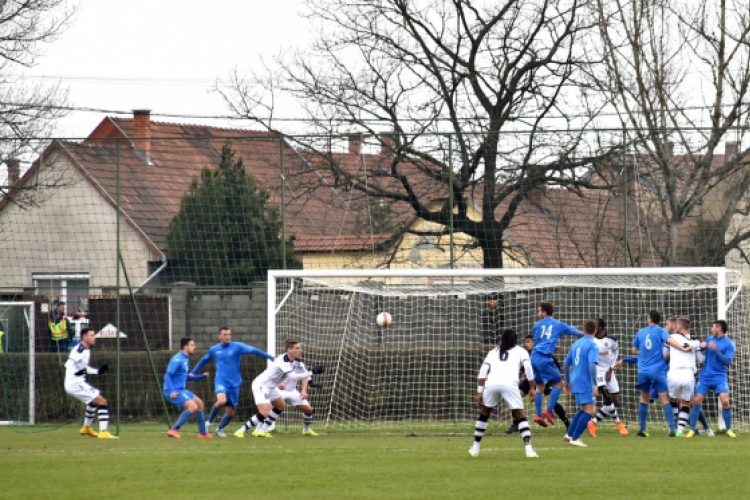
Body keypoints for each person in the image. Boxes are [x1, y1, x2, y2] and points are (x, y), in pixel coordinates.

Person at [190, 327, 275, 437]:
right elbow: (204, 360)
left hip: (235, 383)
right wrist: (193, 372)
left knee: (230, 413)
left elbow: (254, 351)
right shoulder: (214, 349)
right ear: (219, 336)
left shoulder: (238, 347)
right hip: (221, 381)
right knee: (221, 401)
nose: (227, 337)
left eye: (229, 334)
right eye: (224, 335)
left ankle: (219, 429)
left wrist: (270, 357)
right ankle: (208, 423)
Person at [470, 328, 538, 458]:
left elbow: (483, 372)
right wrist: (532, 388)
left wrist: (479, 391)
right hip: (509, 384)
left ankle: (475, 446)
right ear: (516, 340)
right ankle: (528, 448)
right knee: (519, 415)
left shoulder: (493, 352)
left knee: (485, 414)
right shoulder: (520, 351)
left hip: (491, 384)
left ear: (502, 339)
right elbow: (528, 369)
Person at [234, 339, 323, 438]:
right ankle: (241, 431)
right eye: (297, 348)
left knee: (280, 405)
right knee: (265, 412)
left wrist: (311, 382)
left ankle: (262, 431)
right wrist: (312, 372)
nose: (300, 350)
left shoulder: (295, 362)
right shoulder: (283, 361)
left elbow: (301, 374)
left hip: (271, 387)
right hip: (261, 385)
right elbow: (293, 377)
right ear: (289, 350)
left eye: (300, 348)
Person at [632, 310, 693, 437]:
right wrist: (683, 348)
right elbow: (671, 341)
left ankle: (642, 429)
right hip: (657, 370)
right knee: (665, 399)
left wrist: (644, 354)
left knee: (644, 399)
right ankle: (672, 429)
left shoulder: (640, 332)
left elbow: (634, 350)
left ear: (649, 319)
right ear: (659, 321)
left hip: (643, 370)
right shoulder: (661, 331)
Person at [531, 301, 583, 427]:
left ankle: (538, 414)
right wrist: (588, 336)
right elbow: (575, 332)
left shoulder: (537, 325)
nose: (538, 314)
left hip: (533, 357)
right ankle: (548, 411)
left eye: (539, 311)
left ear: (544, 312)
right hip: (544, 358)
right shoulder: (559, 325)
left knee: (539, 386)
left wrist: (553, 348)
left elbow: (540, 343)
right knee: (559, 384)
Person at [506, 335, 570, 434]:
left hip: (546, 380)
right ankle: (516, 424)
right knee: (517, 395)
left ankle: (567, 424)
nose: (526, 344)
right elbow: (525, 372)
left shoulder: (543, 353)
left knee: (550, 399)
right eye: (525, 342)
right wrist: (532, 389)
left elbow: (556, 367)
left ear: (534, 343)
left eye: (528, 342)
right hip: (532, 380)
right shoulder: (525, 355)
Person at [686, 320, 736, 438]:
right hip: (705, 377)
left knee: (725, 401)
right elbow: (701, 349)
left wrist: (716, 351)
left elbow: (727, 361)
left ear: (718, 329)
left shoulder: (729, 343)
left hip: (719, 377)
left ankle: (728, 429)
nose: (711, 329)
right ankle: (692, 429)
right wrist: (701, 346)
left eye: (713, 327)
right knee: (696, 400)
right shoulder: (709, 339)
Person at [64, 327, 117, 439]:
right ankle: (103, 432)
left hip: (78, 383)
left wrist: (98, 371)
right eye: (92, 335)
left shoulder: (87, 350)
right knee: (102, 401)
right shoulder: (79, 350)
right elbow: (68, 365)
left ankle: (86, 428)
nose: (94, 337)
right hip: (75, 384)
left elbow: (84, 368)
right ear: (85, 337)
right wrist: (77, 373)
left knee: (93, 401)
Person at [587, 319, 629, 437]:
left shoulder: (611, 340)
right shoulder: (591, 340)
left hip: (608, 371)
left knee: (615, 401)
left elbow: (616, 351)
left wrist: (611, 369)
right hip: (597, 372)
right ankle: (619, 423)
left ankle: (593, 423)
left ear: (600, 328)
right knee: (606, 396)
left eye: (595, 326)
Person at [257, 361, 322, 436]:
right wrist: (278, 383)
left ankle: (306, 430)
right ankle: (259, 430)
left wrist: (304, 391)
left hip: (292, 391)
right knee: (268, 409)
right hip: (278, 390)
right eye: (297, 349)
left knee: (309, 410)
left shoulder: (300, 364)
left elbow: (305, 377)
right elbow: (271, 375)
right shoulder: (281, 361)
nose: (299, 351)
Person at [164, 337, 211, 438]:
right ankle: (174, 430)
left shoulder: (185, 359)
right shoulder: (177, 359)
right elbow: (167, 376)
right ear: (185, 347)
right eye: (192, 345)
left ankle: (203, 433)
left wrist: (201, 376)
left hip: (180, 389)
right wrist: (172, 391)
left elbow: (185, 378)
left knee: (200, 404)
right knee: (193, 407)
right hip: (172, 390)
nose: (195, 347)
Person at [666, 317, 701, 437]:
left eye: (676, 325)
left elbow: (664, 342)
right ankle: (680, 431)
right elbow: (701, 359)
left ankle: (674, 426)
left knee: (673, 400)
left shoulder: (672, 338)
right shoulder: (696, 341)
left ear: (679, 327)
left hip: (674, 373)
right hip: (688, 374)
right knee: (686, 403)